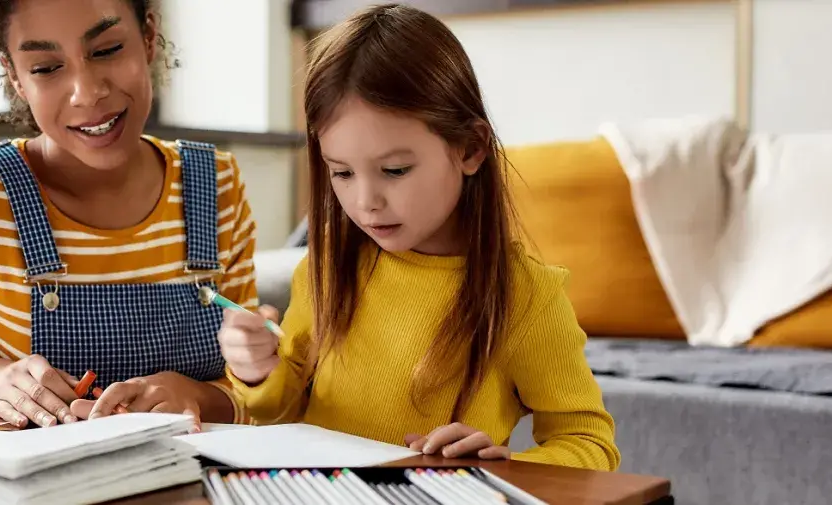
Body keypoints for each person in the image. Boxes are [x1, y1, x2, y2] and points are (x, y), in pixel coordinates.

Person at [216, 4, 620, 471]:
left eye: (395, 170)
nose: (365, 200)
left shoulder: (525, 296)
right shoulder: (324, 269)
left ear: (469, 148)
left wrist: (502, 465)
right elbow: (280, 415)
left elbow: (590, 443)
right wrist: (257, 370)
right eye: (341, 172)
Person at [0, 0, 261, 431]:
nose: (87, 93)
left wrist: (196, 395)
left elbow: (256, 387)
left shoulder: (215, 185)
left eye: (106, 50)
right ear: (15, 76)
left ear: (148, 38)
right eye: (46, 68)